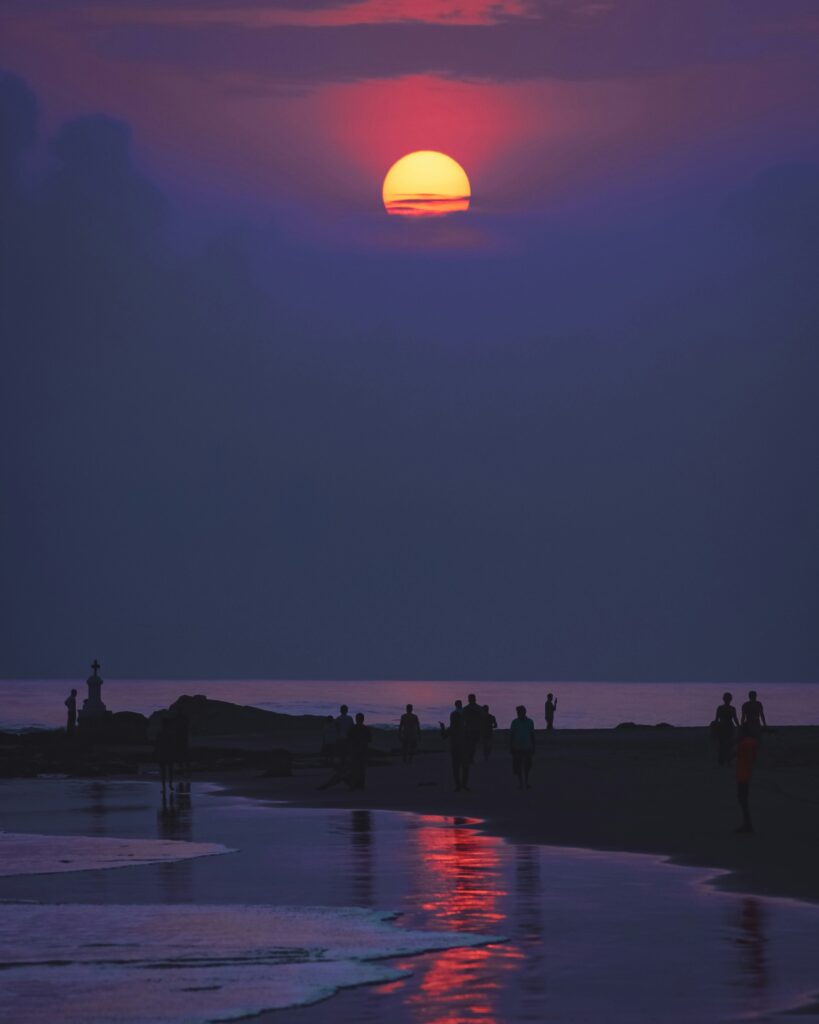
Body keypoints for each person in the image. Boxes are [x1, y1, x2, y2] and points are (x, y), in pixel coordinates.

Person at [439, 700, 470, 791]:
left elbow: (444, 736)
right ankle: (463, 785)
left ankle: (458, 786)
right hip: (463, 748)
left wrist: (442, 727)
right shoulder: (464, 727)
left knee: (456, 767)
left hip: (455, 748)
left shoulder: (453, 728)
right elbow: (469, 737)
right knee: (465, 767)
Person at [735, 723, 759, 833]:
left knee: (742, 799)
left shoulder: (745, 743)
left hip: (743, 773)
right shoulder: (751, 742)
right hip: (746, 772)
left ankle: (747, 824)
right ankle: (747, 824)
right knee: (743, 798)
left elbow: (740, 754)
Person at [510, 705, 535, 789]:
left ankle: (526, 782)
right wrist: (511, 746)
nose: (518, 713)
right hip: (517, 747)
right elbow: (511, 735)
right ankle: (521, 783)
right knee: (518, 766)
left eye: (520, 711)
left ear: (524, 712)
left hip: (527, 746)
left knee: (527, 766)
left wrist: (533, 746)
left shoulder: (530, 722)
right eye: (517, 712)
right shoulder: (514, 722)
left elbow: (532, 735)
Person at [346, 712, 371, 790]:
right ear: (363, 719)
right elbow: (370, 739)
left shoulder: (352, 729)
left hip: (354, 751)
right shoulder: (366, 729)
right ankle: (361, 785)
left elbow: (349, 738)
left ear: (356, 719)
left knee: (354, 769)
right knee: (362, 769)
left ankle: (353, 785)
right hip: (363, 751)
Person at [713, 692, 739, 766]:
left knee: (726, 745)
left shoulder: (722, 708)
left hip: (726, 727)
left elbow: (716, 719)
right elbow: (735, 719)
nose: (727, 700)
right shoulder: (729, 708)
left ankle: (725, 761)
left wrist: (738, 726)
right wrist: (738, 726)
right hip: (726, 727)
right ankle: (725, 761)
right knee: (725, 745)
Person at [461, 693, 485, 764]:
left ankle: (471, 757)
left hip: (475, 729)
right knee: (471, 745)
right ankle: (470, 758)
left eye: (471, 699)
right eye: (470, 699)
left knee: (473, 745)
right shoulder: (466, 709)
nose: (471, 700)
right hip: (469, 729)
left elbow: (483, 719)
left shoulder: (478, 708)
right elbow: (462, 719)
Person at [156, 716, 177, 793]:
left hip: (163, 753)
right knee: (169, 770)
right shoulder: (170, 734)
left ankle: (164, 786)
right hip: (168, 753)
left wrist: (156, 753)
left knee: (164, 771)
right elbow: (173, 744)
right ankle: (169, 785)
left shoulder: (160, 734)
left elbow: (157, 745)